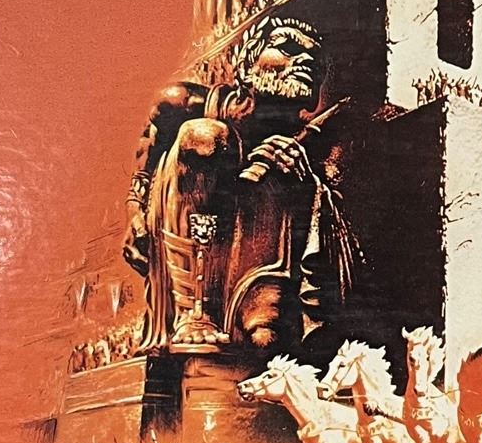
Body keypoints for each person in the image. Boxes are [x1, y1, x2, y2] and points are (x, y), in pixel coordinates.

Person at [121, 18, 355, 356]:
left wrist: (302, 173)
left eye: (315, 62)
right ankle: (193, 315)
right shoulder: (186, 103)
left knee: (267, 339)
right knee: (204, 136)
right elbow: (150, 138)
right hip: (183, 238)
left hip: (252, 251)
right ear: (248, 63)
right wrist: (134, 208)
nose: (305, 61)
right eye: (288, 48)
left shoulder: (309, 138)